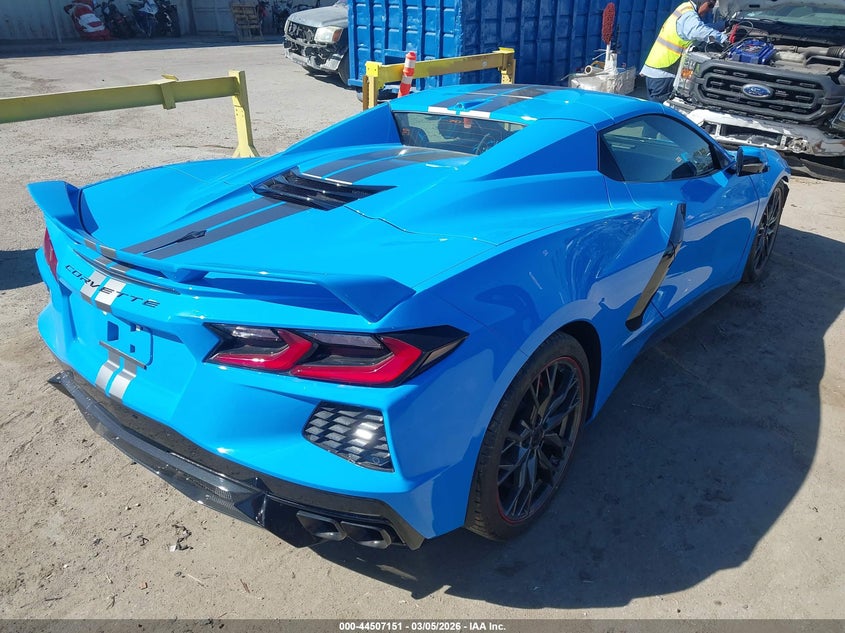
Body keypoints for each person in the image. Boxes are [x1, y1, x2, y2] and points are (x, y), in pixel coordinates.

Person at [641, 0, 728, 103]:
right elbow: (698, 31)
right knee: (661, 109)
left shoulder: (685, 8)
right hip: (664, 72)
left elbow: (700, 28)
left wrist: (723, 25)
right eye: (710, 6)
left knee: (654, 107)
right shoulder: (689, 14)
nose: (709, 10)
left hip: (655, 69)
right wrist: (723, 39)